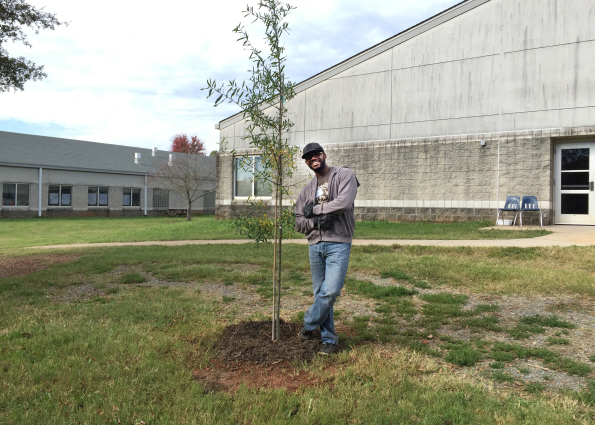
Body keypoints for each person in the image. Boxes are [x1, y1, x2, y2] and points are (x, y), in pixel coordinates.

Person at [294, 142, 359, 355]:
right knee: (320, 293)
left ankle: (307, 324)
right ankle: (329, 339)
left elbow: (344, 203)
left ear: (324, 155)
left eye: (316, 154)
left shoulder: (344, 175)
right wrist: (315, 222)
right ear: (306, 162)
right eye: (308, 156)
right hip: (315, 245)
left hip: (339, 243)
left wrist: (316, 210)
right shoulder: (306, 191)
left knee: (330, 290)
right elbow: (298, 222)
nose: (313, 158)